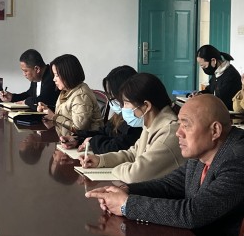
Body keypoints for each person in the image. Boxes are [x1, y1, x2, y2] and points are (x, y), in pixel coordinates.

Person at [86, 95, 244, 235]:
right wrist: (126, 190)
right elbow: (170, 185)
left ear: (215, 130)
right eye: (179, 124)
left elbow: (194, 213)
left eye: (186, 125)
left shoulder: (237, 158)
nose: (178, 133)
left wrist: (126, 205)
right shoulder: (203, 151)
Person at [80, 73, 185, 183]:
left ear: (146, 106)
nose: (123, 108)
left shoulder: (169, 133)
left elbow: (134, 175)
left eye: (126, 103)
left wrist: (114, 170)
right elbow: (133, 154)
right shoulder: (151, 124)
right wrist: (100, 160)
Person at [61, 65, 142, 154]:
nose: (111, 101)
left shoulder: (135, 119)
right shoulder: (119, 116)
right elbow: (105, 132)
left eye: (113, 96)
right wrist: (78, 139)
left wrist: (92, 142)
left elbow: (119, 146)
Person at [37, 54, 103, 137]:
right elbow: (66, 115)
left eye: (56, 75)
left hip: (84, 142)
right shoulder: (66, 91)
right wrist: (48, 111)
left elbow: (79, 129)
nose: (54, 79)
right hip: (67, 138)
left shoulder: (81, 95)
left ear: (68, 74)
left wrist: (54, 117)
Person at [195, 44, 241, 110]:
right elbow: (210, 90)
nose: (203, 69)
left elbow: (221, 100)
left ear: (213, 61)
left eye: (204, 66)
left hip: (227, 112)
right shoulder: (217, 72)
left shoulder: (231, 76)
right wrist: (199, 94)